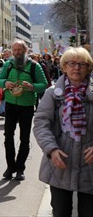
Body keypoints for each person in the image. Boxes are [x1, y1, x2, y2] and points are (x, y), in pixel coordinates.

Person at [33, 47, 93, 216]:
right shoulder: (53, 93)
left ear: (88, 68)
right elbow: (41, 123)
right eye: (71, 63)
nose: (76, 68)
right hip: (60, 164)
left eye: (82, 64)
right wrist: (51, 149)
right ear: (64, 66)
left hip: (90, 165)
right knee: (61, 212)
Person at [0, 39, 48, 181]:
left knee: (24, 139)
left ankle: (20, 168)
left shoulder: (34, 66)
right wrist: (5, 83)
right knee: (8, 136)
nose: (17, 53)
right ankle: (10, 167)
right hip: (10, 104)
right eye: (15, 50)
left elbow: (44, 84)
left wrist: (32, 87)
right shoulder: (7, 64)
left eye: (19, 50)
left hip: (27, 105)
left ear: (25, 51)